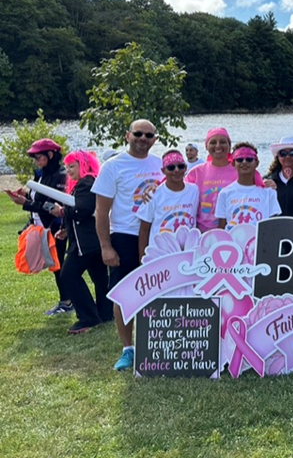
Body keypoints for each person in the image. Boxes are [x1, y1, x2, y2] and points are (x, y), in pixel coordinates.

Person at [92, 119, 164, 371]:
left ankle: (157, 344)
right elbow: (101, 212)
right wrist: (105, 246)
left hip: (158, 236)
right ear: (127, 136)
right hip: (124, 235)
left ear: (155, 139)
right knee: (124, 295)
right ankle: (128, 348)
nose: (143, 138)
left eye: (148, 135)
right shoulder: (113, 167)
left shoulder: (161, 165)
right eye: (138, 134)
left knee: (158, 289)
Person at [5, 138, 70, 315]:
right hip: (41, 225)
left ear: (50, 155)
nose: (36, 161)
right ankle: (66, 301)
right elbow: (38, 198)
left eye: (38, 157)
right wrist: (25, 194)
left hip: (56, 226)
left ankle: (67, 302)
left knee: (59, 265)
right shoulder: (40, 174)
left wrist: (25, 202)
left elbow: (53, 207)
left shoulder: (61, 175)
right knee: (55, 264)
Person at [51, 150, 112, 334]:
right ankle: (105, 314)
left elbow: (81, 210)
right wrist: (66, 229)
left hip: (85, 243)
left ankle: (88, 317)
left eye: (72, 166)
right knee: (100, 278)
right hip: (92, 240)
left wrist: (61, 212)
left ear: (84, 165)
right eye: (67, 166)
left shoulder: (87, 183)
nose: (68, 170)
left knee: (68, 275)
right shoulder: (87, 183)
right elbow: (82, 214)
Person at [136, 149, 199, 256]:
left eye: (180, 166)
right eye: (171, 167)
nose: (176, 170)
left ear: (186, 168)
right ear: (163, 171)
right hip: (160, 254)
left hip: (187, 253)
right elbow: (144, 230)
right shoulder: (153, 195)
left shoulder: (194, 190)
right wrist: (143, 259)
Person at [215, 143, 281, 229]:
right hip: (233, 241)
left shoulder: (269, 192)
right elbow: (221, 228)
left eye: (249, 159)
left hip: (260, 241)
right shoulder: (224, 193)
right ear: (233, 163)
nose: (244, 162)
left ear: (256, 163)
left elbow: (274, 226)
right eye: (239, 159)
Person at [184, 128, 238, 232]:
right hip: (202, 233)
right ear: (206, 146)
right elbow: (177, 190)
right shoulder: (196, 173)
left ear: (229, 146)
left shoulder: (240, 171)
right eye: (213, 142)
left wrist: (268, 184)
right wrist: (155, 187)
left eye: (223, 142)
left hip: (232, 233)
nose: (218, 146)